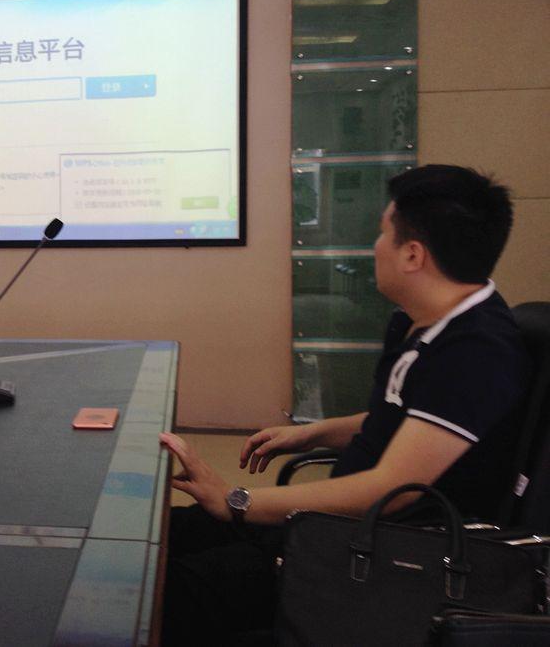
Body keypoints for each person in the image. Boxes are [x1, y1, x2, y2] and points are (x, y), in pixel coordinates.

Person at [160, 164, 528, 644]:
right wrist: (311, 433)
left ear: (413, 254)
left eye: (383, 233)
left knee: (171, 592)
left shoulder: (476, 352)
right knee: (161, 537)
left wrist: (238, 500)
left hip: (377, 555)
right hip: (338, 526)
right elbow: (399, 419)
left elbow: (393, 487)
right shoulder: (422, 322)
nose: (375, 246)